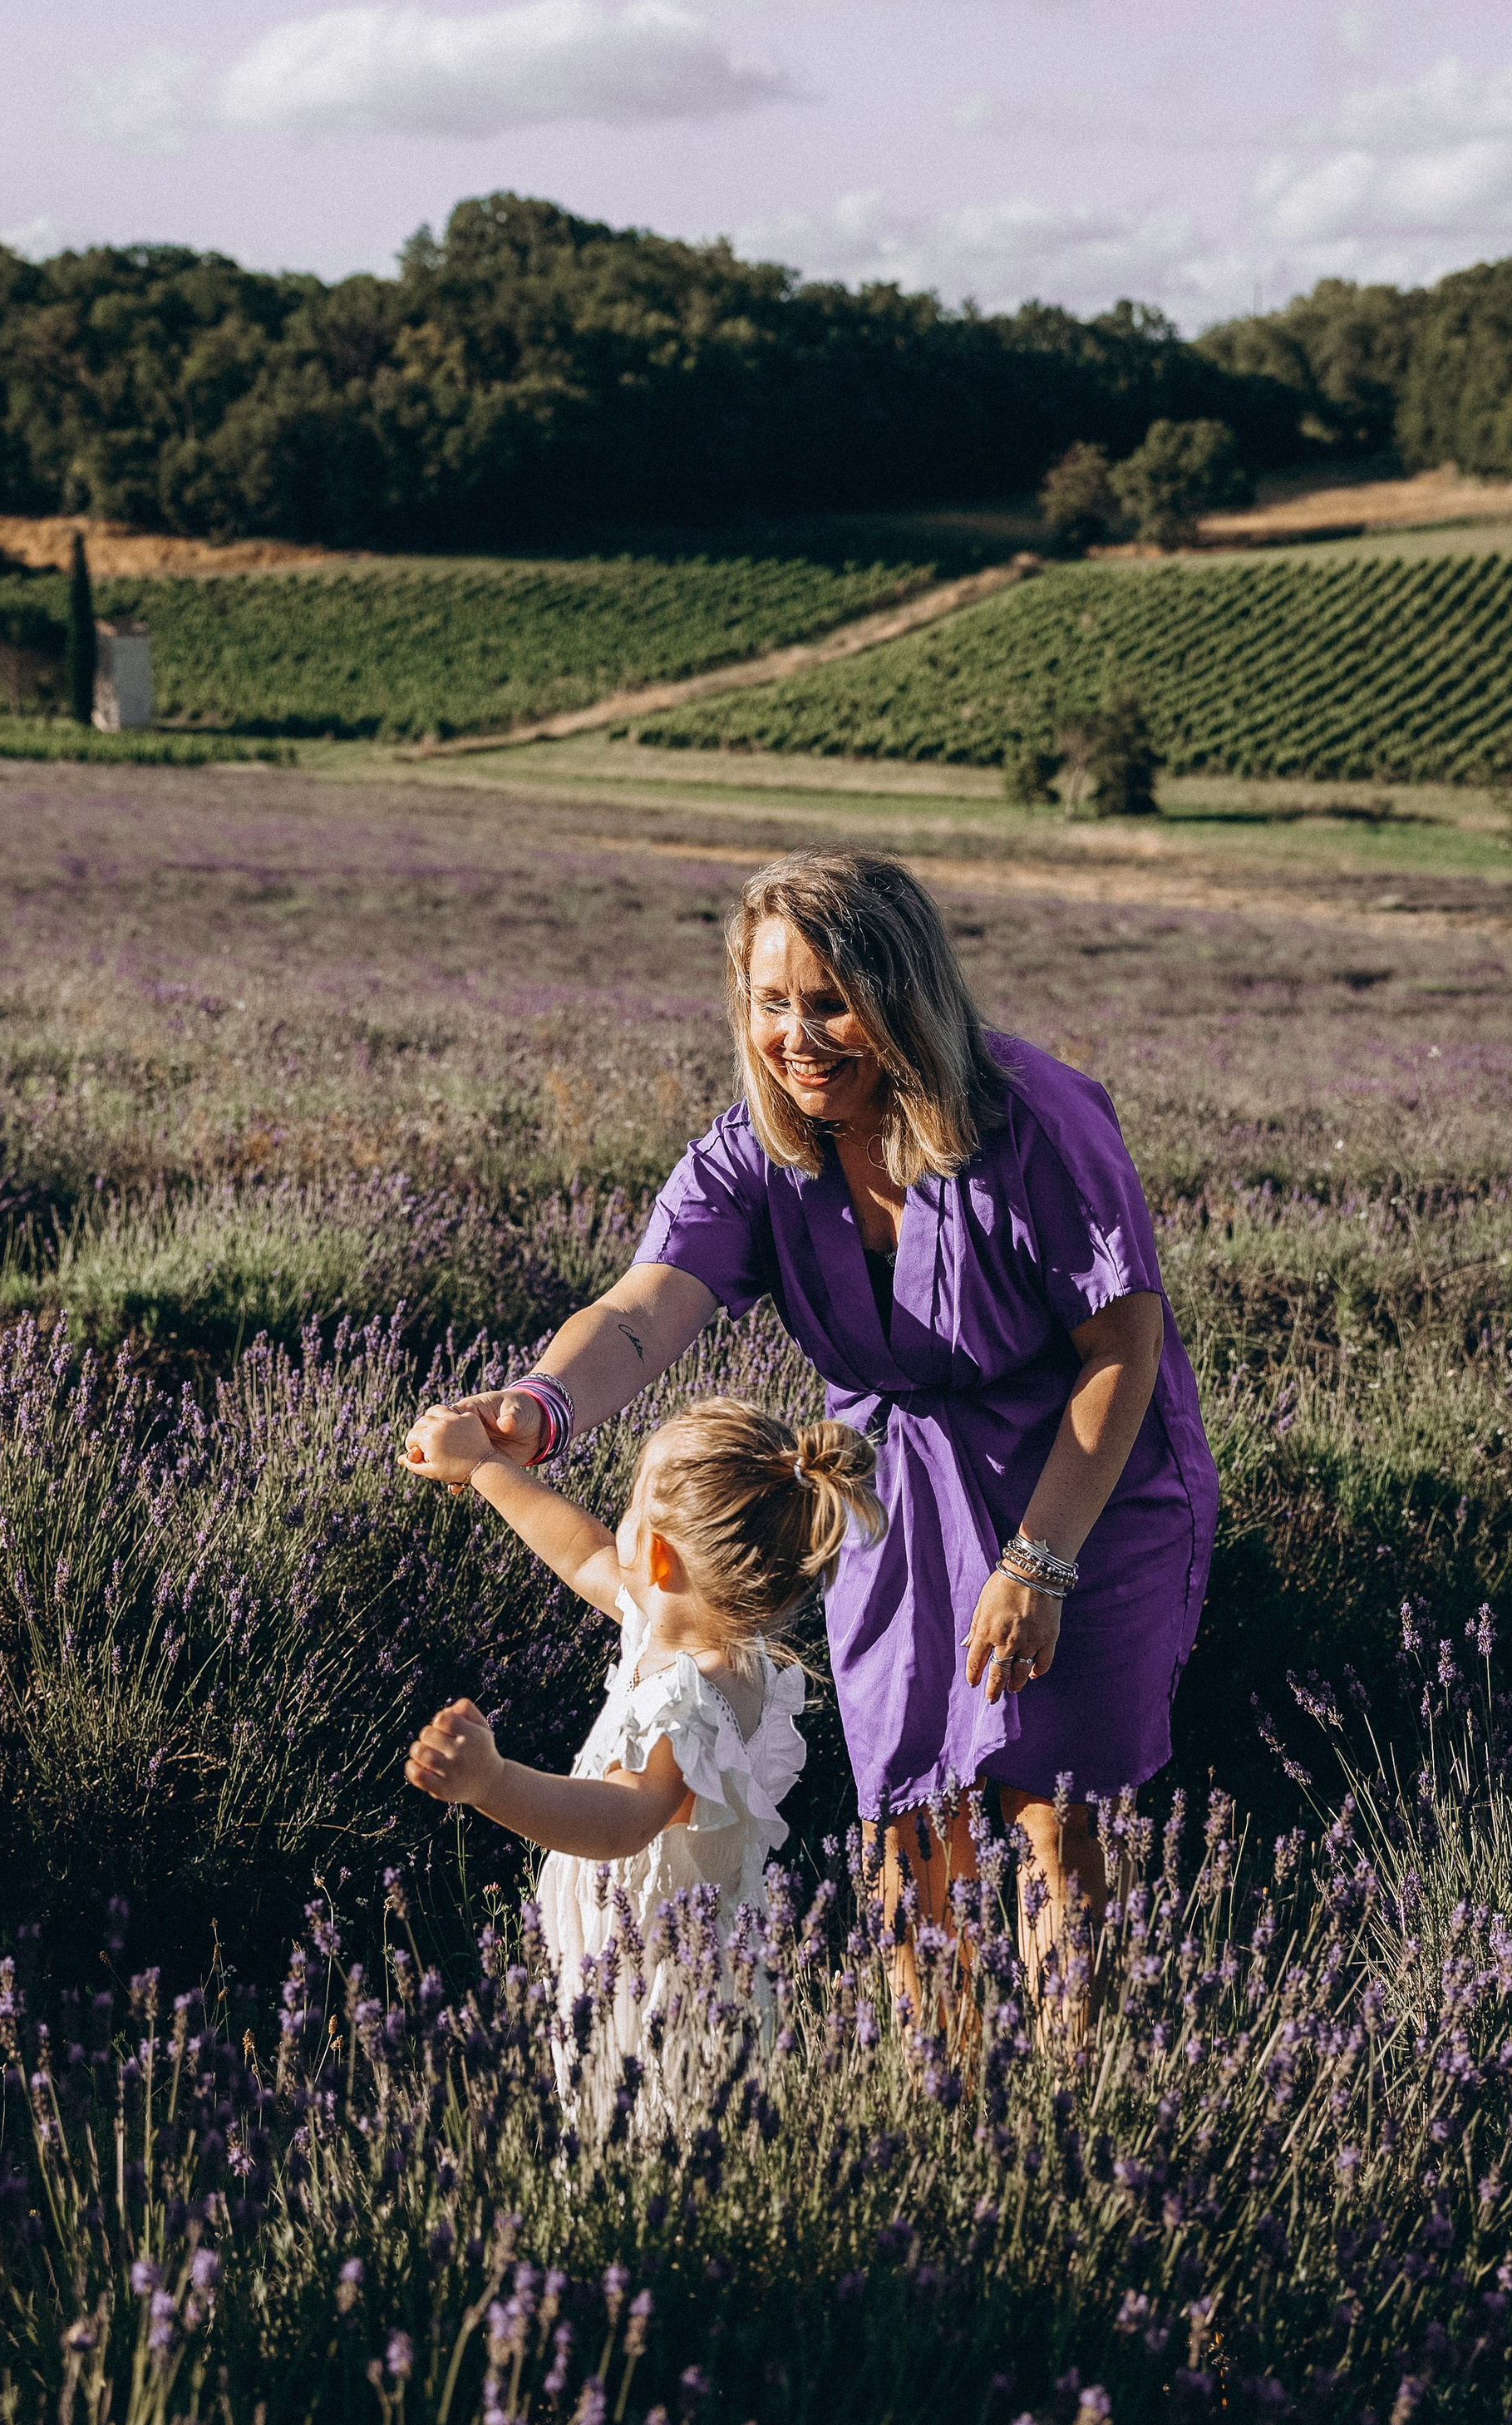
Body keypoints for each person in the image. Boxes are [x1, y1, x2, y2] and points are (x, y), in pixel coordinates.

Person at [401, 848, 1218, 2023]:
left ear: (903, 994)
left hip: (1083, 1487)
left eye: (831, 1003)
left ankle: (1069, 2117)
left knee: (1059, 1811)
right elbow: (644, 1308)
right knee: (912, 1815)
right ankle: (944, 2098)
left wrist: (1037, 1564)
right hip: (894, 1493)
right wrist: (535, 1407)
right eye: (772, 1004)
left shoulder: (1040, 1123)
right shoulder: (756, 1155)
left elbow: (1120, 1351)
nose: (799, 1037)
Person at [402, 1393, 884, 2093]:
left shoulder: (695, 1704)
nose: (615, 1525)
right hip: (636, 1964)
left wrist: (493, 1783)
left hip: (666, 1998)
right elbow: (582, 1551)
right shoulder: (688, 1634)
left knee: (654, 2149)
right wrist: (481, 1467)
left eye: (630, 1508)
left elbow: (625, 1821)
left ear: (658, 1558)